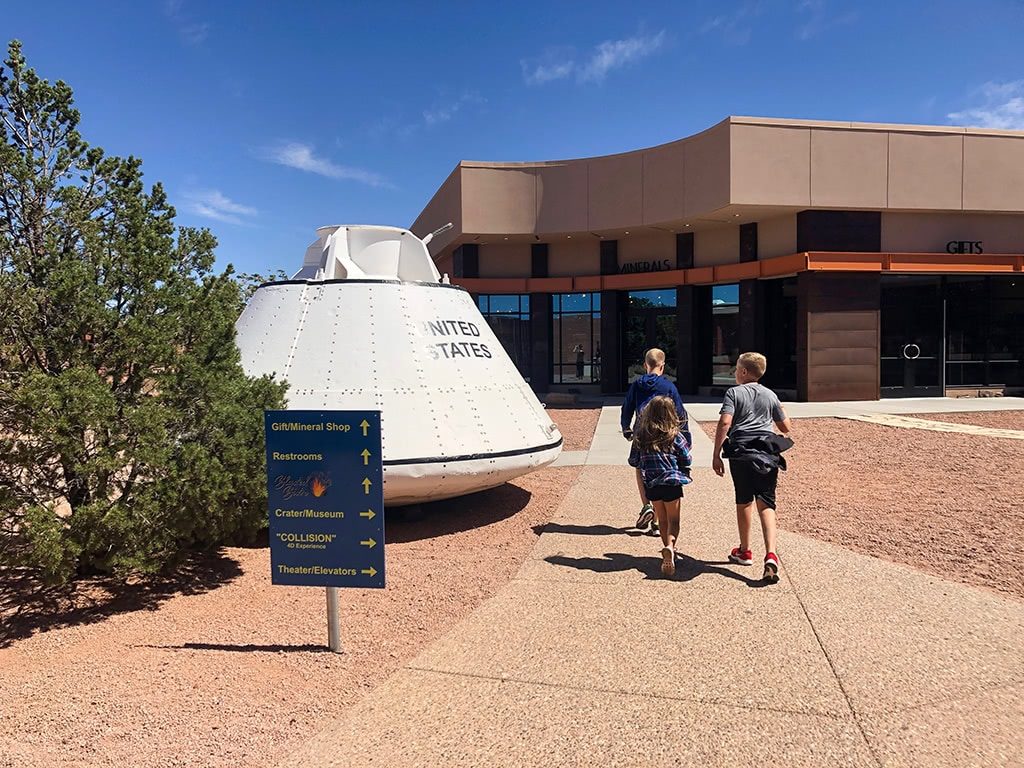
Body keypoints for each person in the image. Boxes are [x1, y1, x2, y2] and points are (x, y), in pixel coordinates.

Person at [711, 352, 794, 584]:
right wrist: (783, 410)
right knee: (767, 503)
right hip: (767, 453)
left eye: (737, 369)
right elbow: (785, 427)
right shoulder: (770, 395)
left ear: (744, 372)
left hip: (741, 452)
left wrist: (716, 453)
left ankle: (745, 550)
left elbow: (725, 422)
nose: (735, 373)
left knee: (744, 500)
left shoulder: (733, 393)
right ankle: (771, 553)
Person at [621, 348, 691, 534]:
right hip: (664, 433)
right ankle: (658, 523)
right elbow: (680, 412)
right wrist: (686, 437)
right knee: (662, 467)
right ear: (662, 365)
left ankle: (647, 505)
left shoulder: (636, 385)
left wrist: (626, 427)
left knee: (641, 467)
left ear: (645, 365)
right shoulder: (669, 387)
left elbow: (627, 407)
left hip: (641, 432)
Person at [628, 396, 692, 577]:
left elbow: (634, 460)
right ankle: (670, 547)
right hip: (672, 482)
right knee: (674, 520)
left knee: (662, 520)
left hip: (652, 484)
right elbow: (687, 458)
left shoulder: (641, 436)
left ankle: (666, 549)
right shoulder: (675, 436)